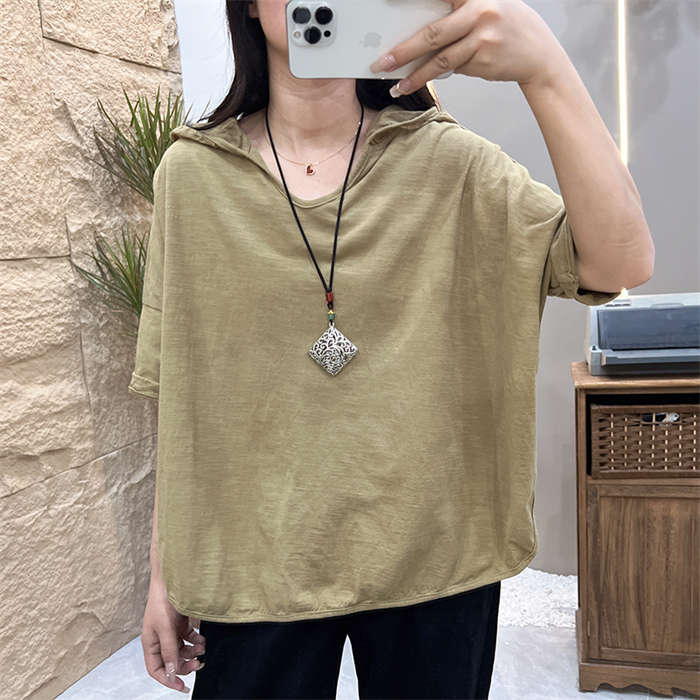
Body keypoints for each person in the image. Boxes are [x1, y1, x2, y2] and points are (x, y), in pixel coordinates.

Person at [131, 0, 649, 697]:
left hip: (436, 556)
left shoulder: (451, 163)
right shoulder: (192, 176)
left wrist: (545, 71)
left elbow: (619, 262)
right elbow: (180, 393)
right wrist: (167, 569)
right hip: (253, 563)